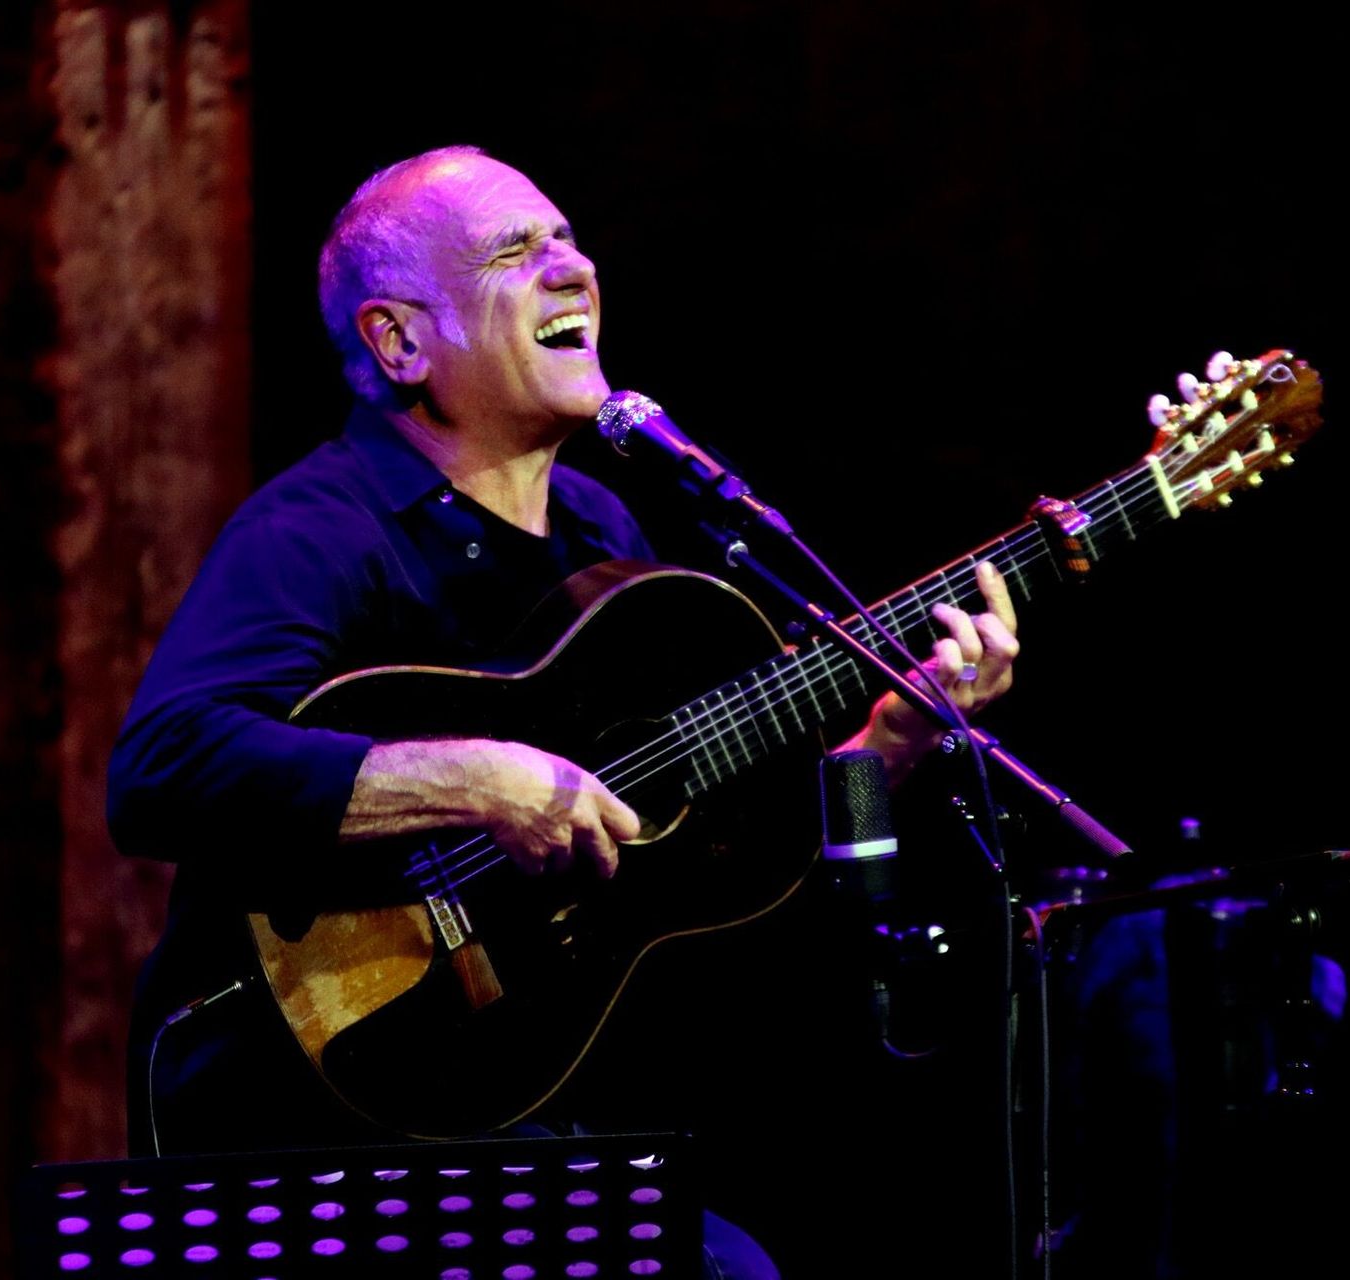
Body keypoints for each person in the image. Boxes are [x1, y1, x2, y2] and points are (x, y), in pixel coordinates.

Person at [105, 144, 1019, 1277]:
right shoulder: (321, 527)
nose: (572, 267)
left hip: (503, 1100)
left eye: (569, 240)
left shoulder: (602, 535)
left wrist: (888, 746)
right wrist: (477, 780)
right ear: (399, 342)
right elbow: (161, 767)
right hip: (299, 1111)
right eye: (513, 252)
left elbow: (716, 859)